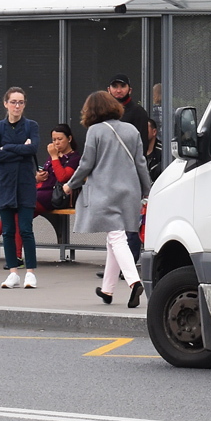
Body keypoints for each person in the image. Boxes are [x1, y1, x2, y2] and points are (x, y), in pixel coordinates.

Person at [65, 91, 151, 308]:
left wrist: (70, 184)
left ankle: (133, 282)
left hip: (105, 192)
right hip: (129, 192)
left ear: (91, 111)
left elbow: (86, 164)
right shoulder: (131, 130)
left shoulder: (95, 131)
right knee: (115, 238)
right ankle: (107, 290)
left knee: (116, 237)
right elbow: (141, 163)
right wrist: (147, 190)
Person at [0, 124, 79, 255]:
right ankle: (14, 254)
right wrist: (38, 176)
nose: (56, 143)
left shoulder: (74, 158)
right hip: (39, 192)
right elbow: (47, 174)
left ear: (69, 139)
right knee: (18, 215)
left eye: (60, 139)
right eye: (53, 140)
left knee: (19, 209)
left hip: (55, 196)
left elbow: (63, 177)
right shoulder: (55, 154)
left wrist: (54, 157)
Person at [0, 87, 39, 289]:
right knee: (8, 230)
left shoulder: (31, 126)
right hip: (4, 184)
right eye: (13, 102)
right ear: (5, 104)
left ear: (24, 105)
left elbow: (33, 149)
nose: (16, 106)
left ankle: (30, 273)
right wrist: (21, 149)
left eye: (20, 102)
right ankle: (13, 272)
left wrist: (8, 148)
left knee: (26, 229)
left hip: (25, 184)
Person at [108, 73, 150, 158]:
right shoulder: (103, 112)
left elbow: (142, 144)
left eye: (122, 86)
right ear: (109, 90)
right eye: (115, 86)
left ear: (130, 90)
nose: (118, 90)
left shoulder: (138, 112)